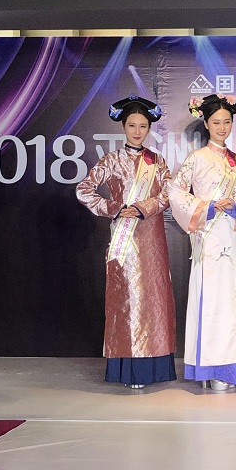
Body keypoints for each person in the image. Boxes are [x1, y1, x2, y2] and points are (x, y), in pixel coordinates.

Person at [76, 95, 177, 388]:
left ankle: (156, 367)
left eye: (143, 126)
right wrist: (115, 207)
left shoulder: (157, 161)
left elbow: (169, 194)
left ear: (149, 129)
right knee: (128, 300)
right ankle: (129, 369)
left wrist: (144, 207)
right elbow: (84, 189)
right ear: (123, 127)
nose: (137, 131)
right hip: (125, 240)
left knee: (154, 299)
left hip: (152, 239)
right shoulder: (111, 160)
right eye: (132, 125)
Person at [168, 94, 236, 392]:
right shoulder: (196, 158)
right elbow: (175, 192)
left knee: (231, 300)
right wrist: (206, 207)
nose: (222, 127)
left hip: (230, 234)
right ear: (205, 124)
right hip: (207, 236)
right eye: (216, 122)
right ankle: (208, 368)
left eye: (226, 122)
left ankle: (230, 369)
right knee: (210, 301)